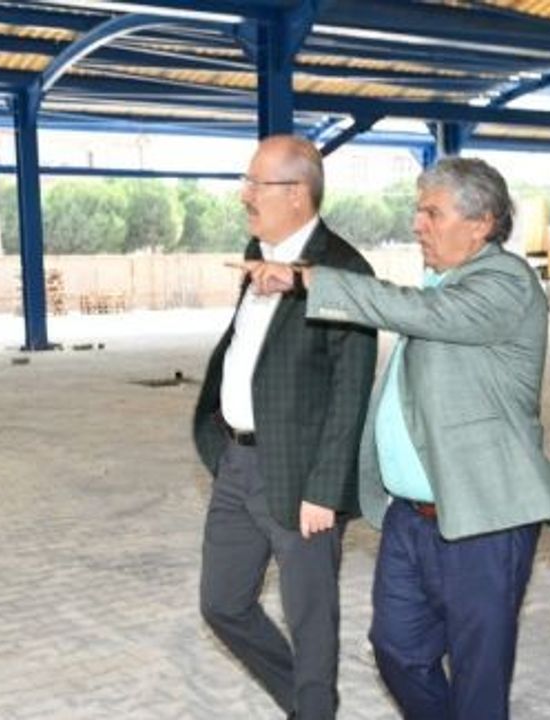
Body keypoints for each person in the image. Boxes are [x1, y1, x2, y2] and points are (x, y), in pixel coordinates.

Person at [240, 156, 550, 720]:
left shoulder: (506, 283)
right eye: (418, 211)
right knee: (396, 650)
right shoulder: (443, 282)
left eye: (432, 213)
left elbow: (418, 312)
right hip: (410, 519)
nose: (417, 224)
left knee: (478, 673)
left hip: (483, 517)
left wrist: (307, 277)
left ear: (481, 223)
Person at [193, 134, 377, 720]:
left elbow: (351, 389)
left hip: (301, 477)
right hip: (236, 461)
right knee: (222, 603)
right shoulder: (257, 250)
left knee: (310, 619)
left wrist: (326, 489)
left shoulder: (345, 271)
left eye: (256, 184)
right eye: (245, 182)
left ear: (297, 193)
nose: (244, 195)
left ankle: (314, 707)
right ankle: (305, 705)